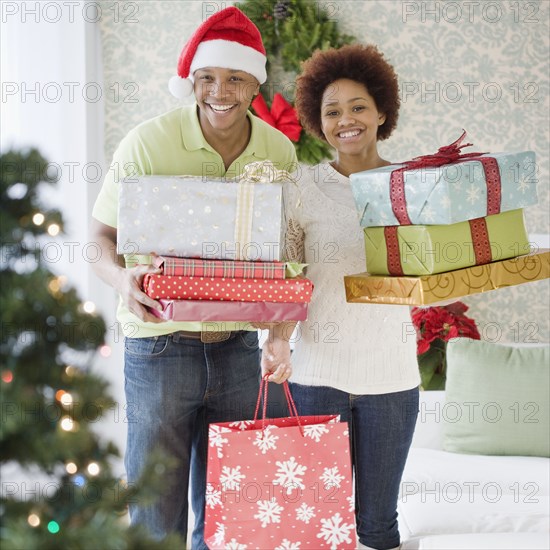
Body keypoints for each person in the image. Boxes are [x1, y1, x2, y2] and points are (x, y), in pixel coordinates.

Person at [90, 7, 296, 548]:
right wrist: (122, 282)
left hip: (237, 349)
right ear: (191, 82)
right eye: (207, 78)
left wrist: (279, 336)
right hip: (158, 351)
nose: (219, 91)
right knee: (155, 520)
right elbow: (97, 241)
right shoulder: (146, 142)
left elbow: (288, 253)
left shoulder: (279, 151)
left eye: (234, 78)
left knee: (231, 518)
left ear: (256, 83)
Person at [281, 44, 421, 550]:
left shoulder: (412, 187)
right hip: (316, 376)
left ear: (382, 111)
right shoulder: (302, 186)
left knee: (378, 527)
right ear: (319, 124)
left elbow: (440, 267)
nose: (347, 120)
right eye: (332, 111)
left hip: (392, 380)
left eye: (358, 106)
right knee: (320, 527)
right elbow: (287, 280)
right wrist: (276, 341)